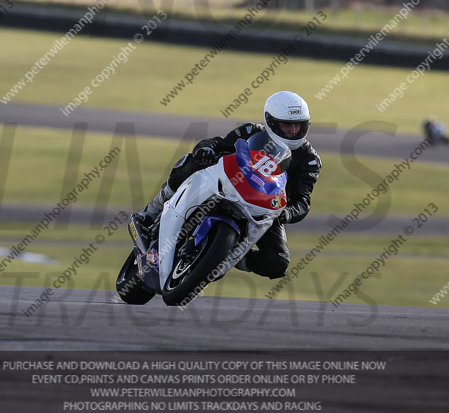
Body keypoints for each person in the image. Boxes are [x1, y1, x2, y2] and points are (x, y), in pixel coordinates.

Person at [135, 90, 322, 280]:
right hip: (227, 186)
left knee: (278, 261)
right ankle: (152, 211)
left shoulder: (310, 160)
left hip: (264, 208)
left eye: (298, 125)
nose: (293, 131)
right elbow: (218, 144)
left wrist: (287, 213)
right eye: (287, 125)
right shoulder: (250, 131)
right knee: (192, 162)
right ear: (271, 122)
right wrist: (206, 149)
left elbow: (302, 200)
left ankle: (229, 257)